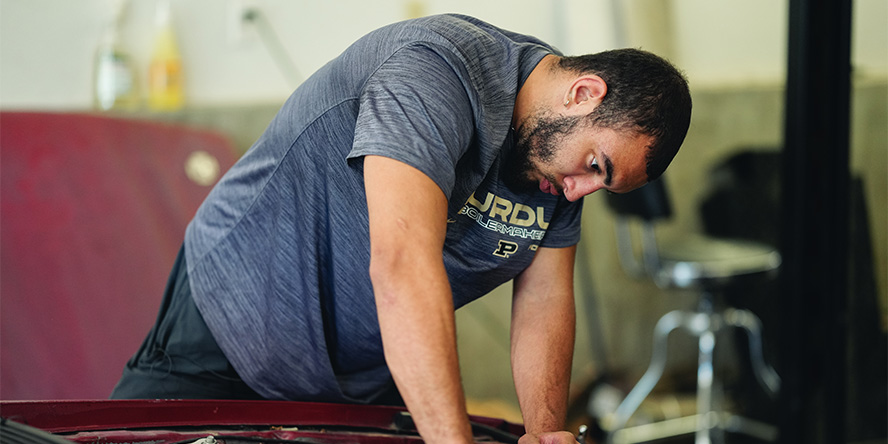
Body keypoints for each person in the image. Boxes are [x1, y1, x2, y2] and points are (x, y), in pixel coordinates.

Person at [111, 13, 692, 444]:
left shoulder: (556, 162)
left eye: (601, 186)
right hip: (228, 332)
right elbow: (402, 265)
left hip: (359, 376)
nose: (580, 192)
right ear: (584, 93)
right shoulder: (435, 73)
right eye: (596, 168)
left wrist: (542, 432)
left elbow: (544, 297)